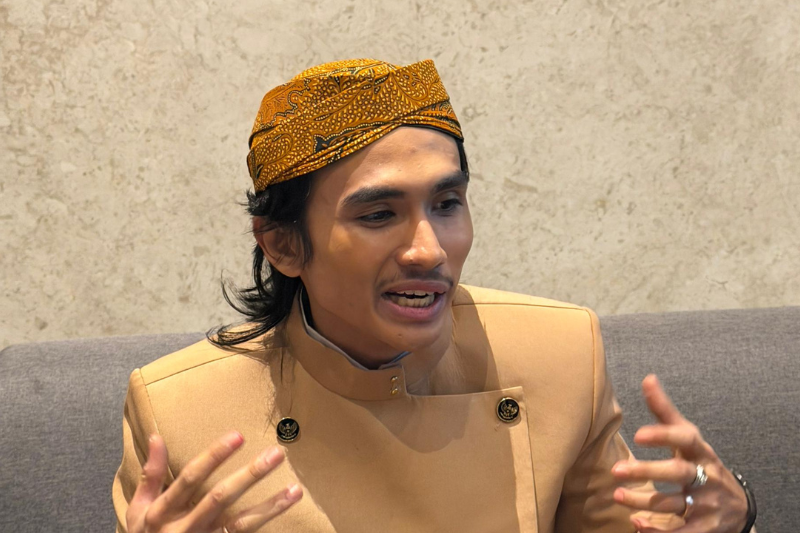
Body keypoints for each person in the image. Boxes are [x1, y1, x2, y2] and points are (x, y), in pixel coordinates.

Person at [112, 58, 757, 533]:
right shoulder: (180, 408)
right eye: (378, 215)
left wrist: (729, 518)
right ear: (282, 245)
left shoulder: (559, 353)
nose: (428, 249)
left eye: (447, 204)